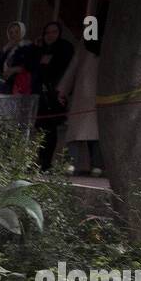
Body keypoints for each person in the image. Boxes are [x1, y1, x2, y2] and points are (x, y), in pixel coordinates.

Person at [57, 32, 102, 176]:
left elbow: (74, 64)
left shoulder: (89, 37)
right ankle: (96, 166)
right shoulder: (111, 35)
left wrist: (63, 89)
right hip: (101, 91)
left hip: (84, 91)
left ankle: (70, 164)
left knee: (77, 131)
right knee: (95, 132)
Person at [31, 21, 74, 169]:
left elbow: (64, 72)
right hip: (40, 95)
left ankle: (46, 162)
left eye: (53, 32)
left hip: (55, 95)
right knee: (41, 128)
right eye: (47, 32)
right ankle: (41, 159)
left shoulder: (65, 48)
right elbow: (35, 68)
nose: (50, 35)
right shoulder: (41, 49)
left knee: (51, 128)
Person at [0, 21, 33, 94]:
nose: (13, 35)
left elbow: (31, 66)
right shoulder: (7, 50)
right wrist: (4, 50)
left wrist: (15, 69)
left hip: (19, 86)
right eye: (11, 33)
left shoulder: (28, 47)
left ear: (22, 32)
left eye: (16, 32)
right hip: (6, 85)